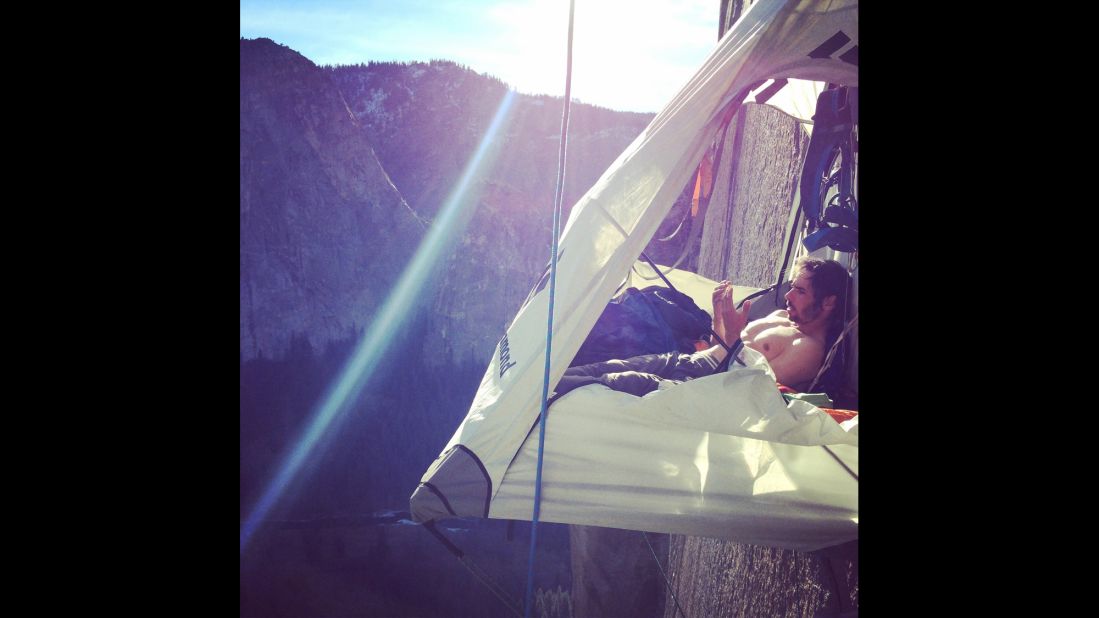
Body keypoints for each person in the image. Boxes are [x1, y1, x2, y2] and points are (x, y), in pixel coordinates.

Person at [557, 256, 850, 397]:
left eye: (799, 291)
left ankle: (544, 403)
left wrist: (733, 338)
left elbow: (749, 389)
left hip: (702, 387)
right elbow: (721, 346)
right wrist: (720, 318)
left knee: (620, 382)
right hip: (696, 361)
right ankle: (541, 384)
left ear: (828, 303)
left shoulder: (808, 351)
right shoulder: (783, 318)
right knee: (608, 365)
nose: (787, 296)